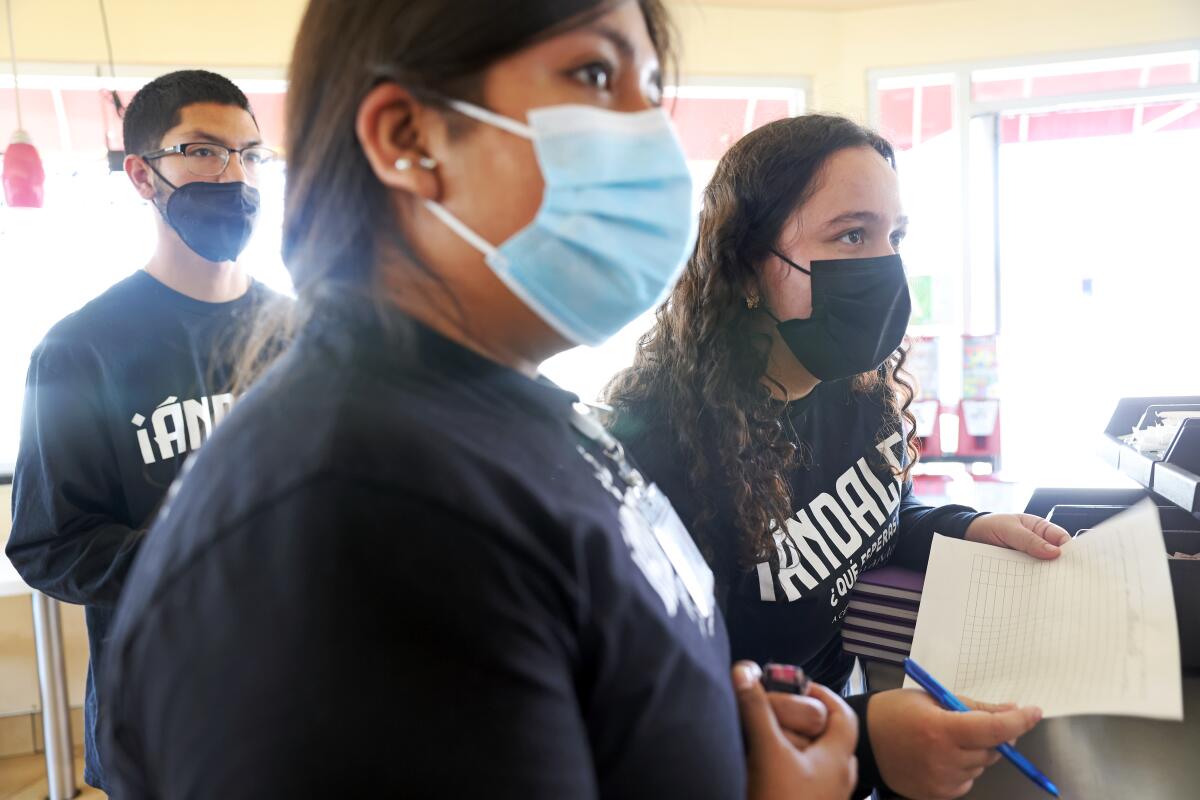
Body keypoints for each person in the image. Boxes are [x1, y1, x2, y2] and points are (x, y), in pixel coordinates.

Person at [100, 2, 861, 798]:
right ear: (409, 137)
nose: (654, 136)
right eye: (595, 74)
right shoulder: (357, 517)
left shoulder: (513, 410)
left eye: (653, 87)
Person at [605, 113, 1072, 800]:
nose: (885, 264)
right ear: (747, 267)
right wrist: (867, 740)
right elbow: (646, 718)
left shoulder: (854, 389)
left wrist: (961, 525)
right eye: (852, 234)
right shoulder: (658, 459)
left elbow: (868, 518)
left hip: (836, 756)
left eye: (895, 236)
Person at [5, 69, 279, 793]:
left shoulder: (309, 334)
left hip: (298, 700)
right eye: (202, 150)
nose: (235, 174)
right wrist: (207, 560)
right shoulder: (80, 350)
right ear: (141, 174)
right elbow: (47, 543)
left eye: (251, 154)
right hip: (165, 718)